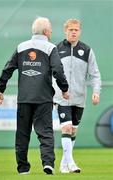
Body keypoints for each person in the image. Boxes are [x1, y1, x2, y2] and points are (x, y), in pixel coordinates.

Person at [0, 17, 69, 175]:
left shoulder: (21, 47)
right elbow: (58, 69)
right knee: (46, 133)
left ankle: (22, 168)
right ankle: (48, 163)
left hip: (24, 99)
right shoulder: (50, 48)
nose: (51, 31)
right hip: (43, 98)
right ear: (46, 31)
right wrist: (64, 88)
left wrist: (1, 89)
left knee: (22, 134)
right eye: (50, 29)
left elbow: (7, 68)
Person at [53, 19, 101, 173]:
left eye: (76, 30)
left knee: (73, 130)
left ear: (80, 31)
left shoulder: (87, 50)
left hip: (79, 98)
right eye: (71, 29)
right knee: (66, 128)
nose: (73, 32)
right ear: (65, 31)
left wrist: (96, 91)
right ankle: (72, 163)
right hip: (62, 97)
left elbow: (95, 74)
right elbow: (49, 73)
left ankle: (63, 163)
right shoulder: (56, 49)